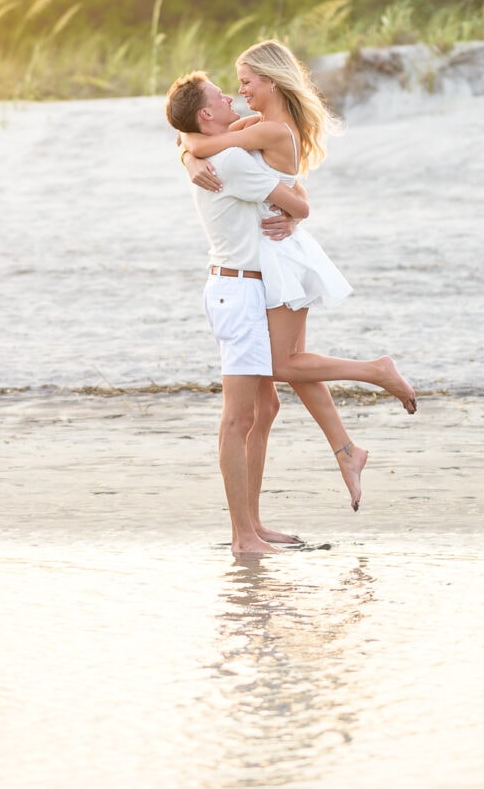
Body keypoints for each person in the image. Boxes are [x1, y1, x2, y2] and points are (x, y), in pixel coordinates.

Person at [167, 53, 417, 545]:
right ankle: (249, 530)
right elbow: (287, 194)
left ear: (270, 80)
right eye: (227, 91)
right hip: (244, 281)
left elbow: (291, 197)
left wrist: (190, 150)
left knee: (271, 399)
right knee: (258, 399)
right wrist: (190, 151)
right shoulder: (240, 147)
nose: (234, 95)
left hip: (265, 270)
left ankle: (256, 523)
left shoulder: (254, 135)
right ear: (208, 114)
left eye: (242, 83)